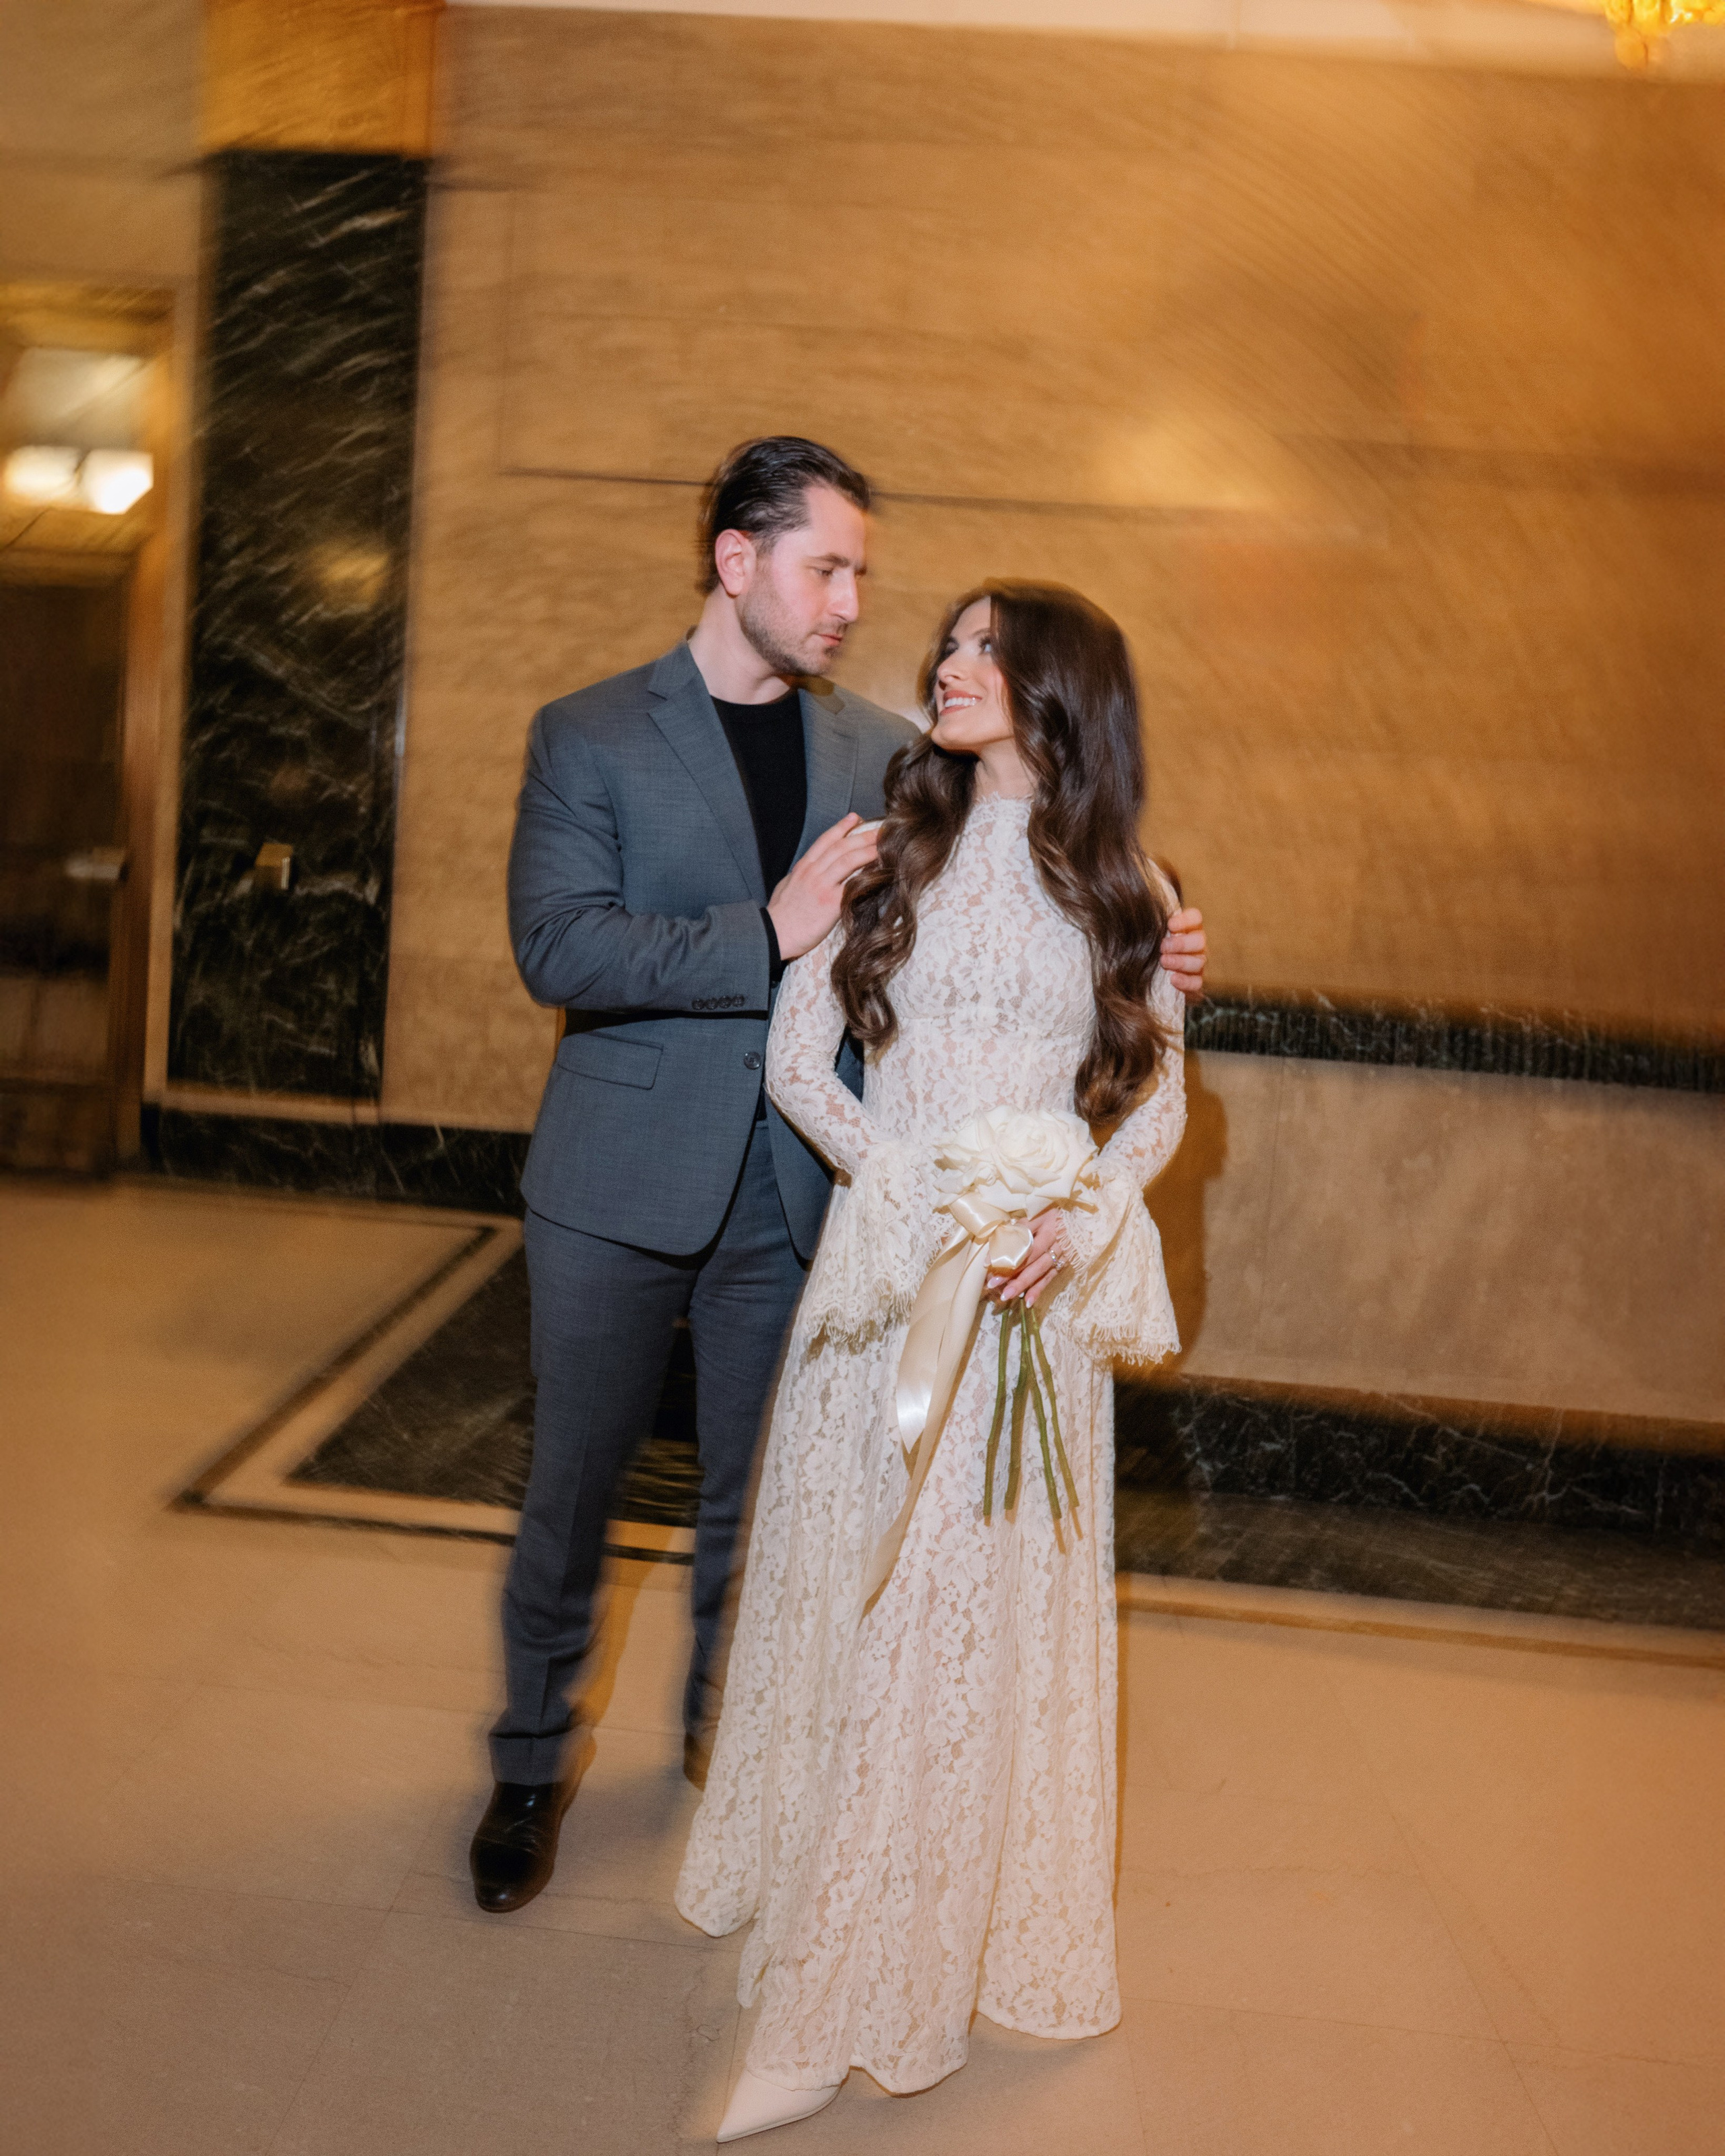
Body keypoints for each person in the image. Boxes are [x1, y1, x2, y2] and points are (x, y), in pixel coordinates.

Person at [472, 442, 1209, 1913]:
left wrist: (1166, 936)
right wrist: (764, 926)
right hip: (619, 1180)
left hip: (804, 1205)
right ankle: (527, 1764)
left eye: (864, 572)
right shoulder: (589, 734)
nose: (856, 601)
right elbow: (560, 947)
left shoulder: (879, 748)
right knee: (573, 1491)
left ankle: (725, 1746)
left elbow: (1024, 851)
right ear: (737, 562)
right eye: (826, 568)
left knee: (769, 1499)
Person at [677, 581, 1189, 2141]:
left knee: (949, 1627)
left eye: (988, 649)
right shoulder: (888, 851)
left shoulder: (1129, 888)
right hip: (884, 1278)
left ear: (1060, 695)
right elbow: (790, 1060)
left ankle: (857, 1993)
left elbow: (1155, 1105)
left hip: (1029, 1305)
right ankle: (825, 1927)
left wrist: (1073, 1212)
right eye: (950, 645)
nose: (950, 665)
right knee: (859, 1586)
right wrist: (909, 1183)